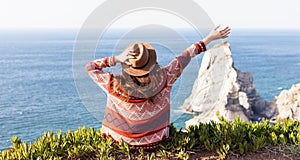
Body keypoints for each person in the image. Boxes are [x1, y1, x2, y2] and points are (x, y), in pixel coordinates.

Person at [86, 25, 231, 150]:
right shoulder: (166, 77)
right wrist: (210, 38)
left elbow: (91, 67)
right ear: (152, 63)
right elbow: (186, 55)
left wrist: (116, 58)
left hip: (119, 142)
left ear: (127, 65)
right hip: (155, 142)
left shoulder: (113, 84)